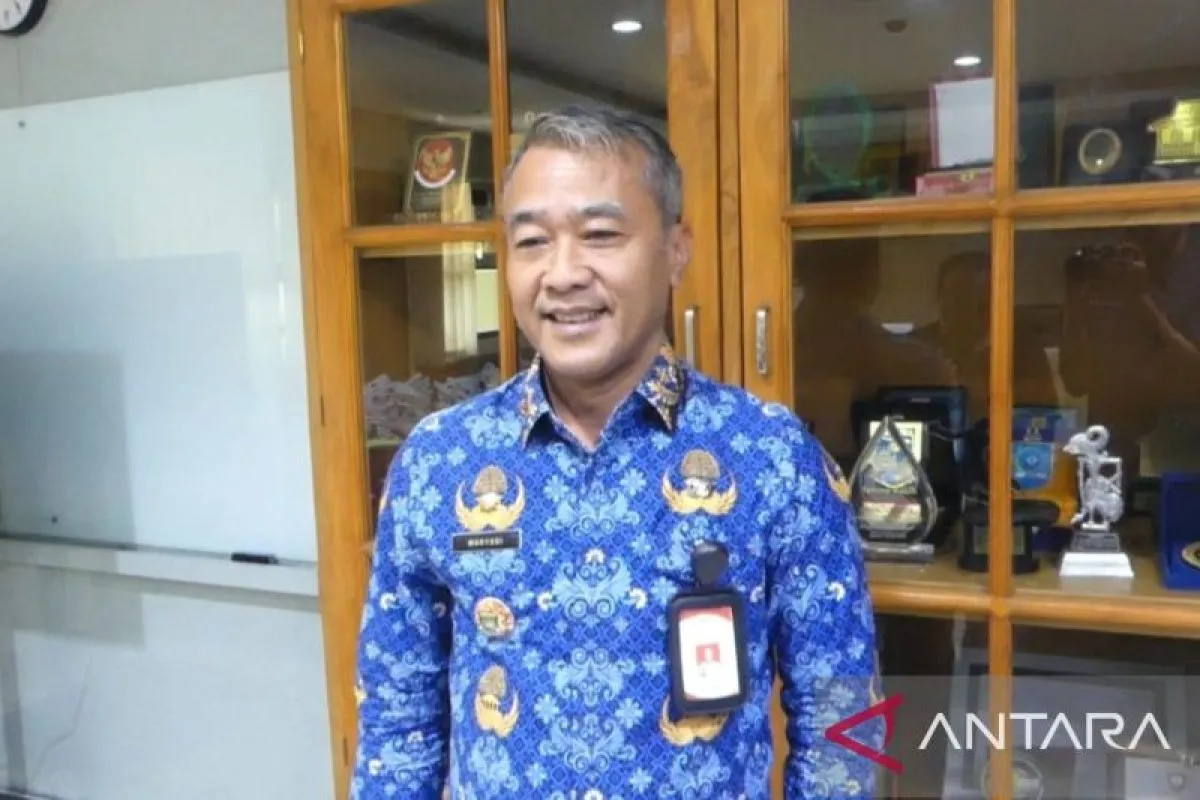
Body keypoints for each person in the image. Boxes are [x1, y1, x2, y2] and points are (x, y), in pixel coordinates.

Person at [351, 105, 882, 799]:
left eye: (600, 235)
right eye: (532, 241)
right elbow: (398, 726)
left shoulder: (775, 457)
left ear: (676, 249)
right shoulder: (438, 462)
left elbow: (845, 721)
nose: (563, 274)